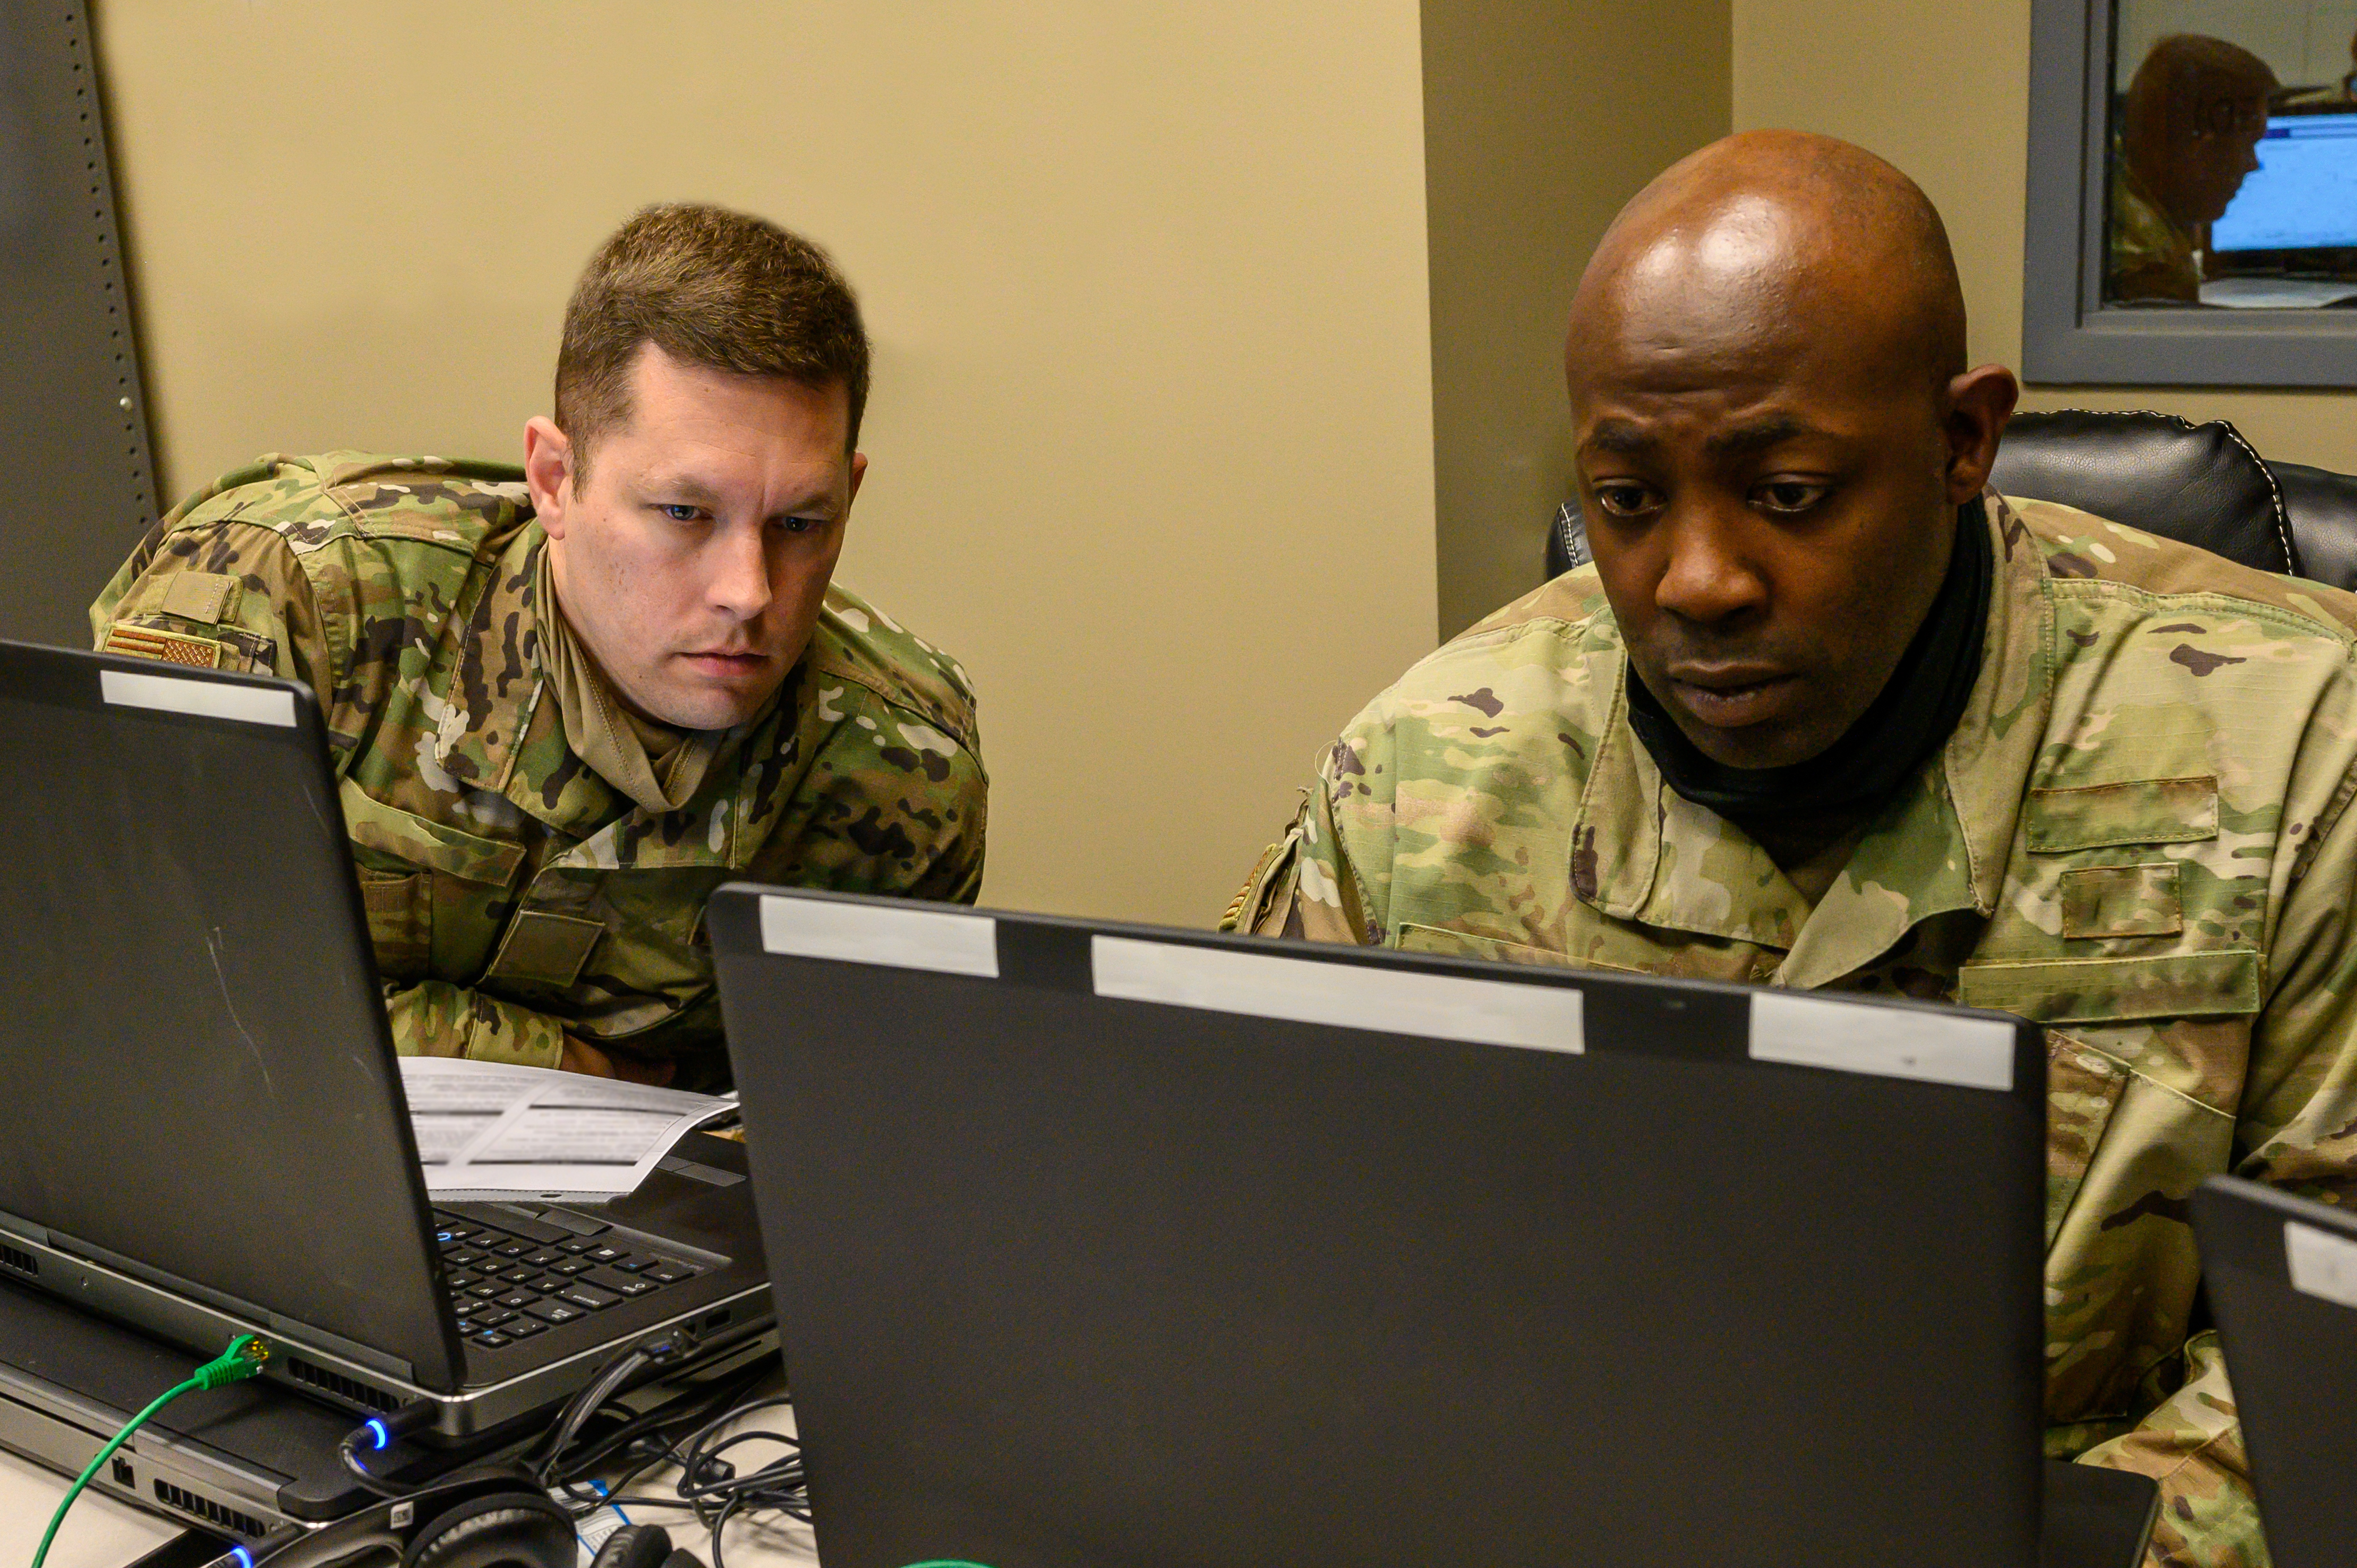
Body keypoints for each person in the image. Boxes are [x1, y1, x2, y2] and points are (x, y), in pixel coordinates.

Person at [1226, 130, 2357, 1567]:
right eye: (1627, 502)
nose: (1695, 582)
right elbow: (1264, 1253)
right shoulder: (1424, 768)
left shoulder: (2298, 761)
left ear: (1961, 441)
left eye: (1785, 493)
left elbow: (2317, 1380)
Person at [92, 204, 987, 1090]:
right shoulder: (291, 593)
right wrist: (575, 1067)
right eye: (685, 513)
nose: (748, 591)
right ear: (555, 480)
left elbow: (828, 1128)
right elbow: (139, 977)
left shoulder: (901, 770)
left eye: (800, 521)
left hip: (616, 1231)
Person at [2111, 35, 2276, 304]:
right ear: (2197, 145)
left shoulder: (2112, 191)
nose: (2252, 165)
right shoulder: (2148, 268)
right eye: (2247, 145)